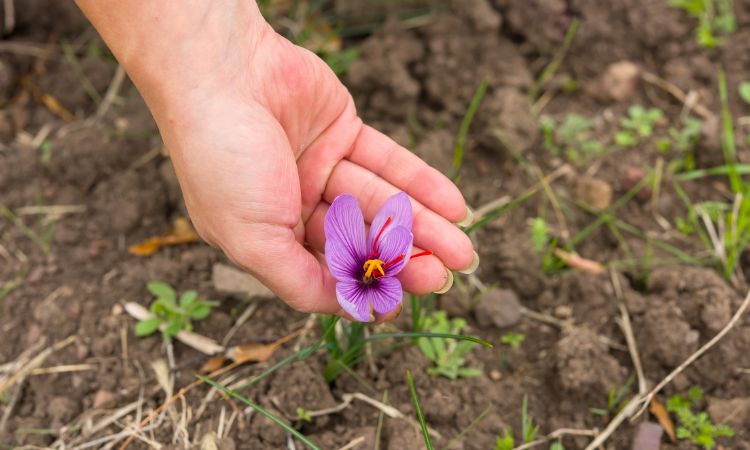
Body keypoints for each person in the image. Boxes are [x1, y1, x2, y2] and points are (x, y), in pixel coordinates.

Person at [75, 0, 478, 322]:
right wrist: (206, 77)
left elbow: (393, 242)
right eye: (376, 267)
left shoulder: (380, 267)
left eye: (373, 268)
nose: (374, 267)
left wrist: (209, 57)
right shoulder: (359, 269)